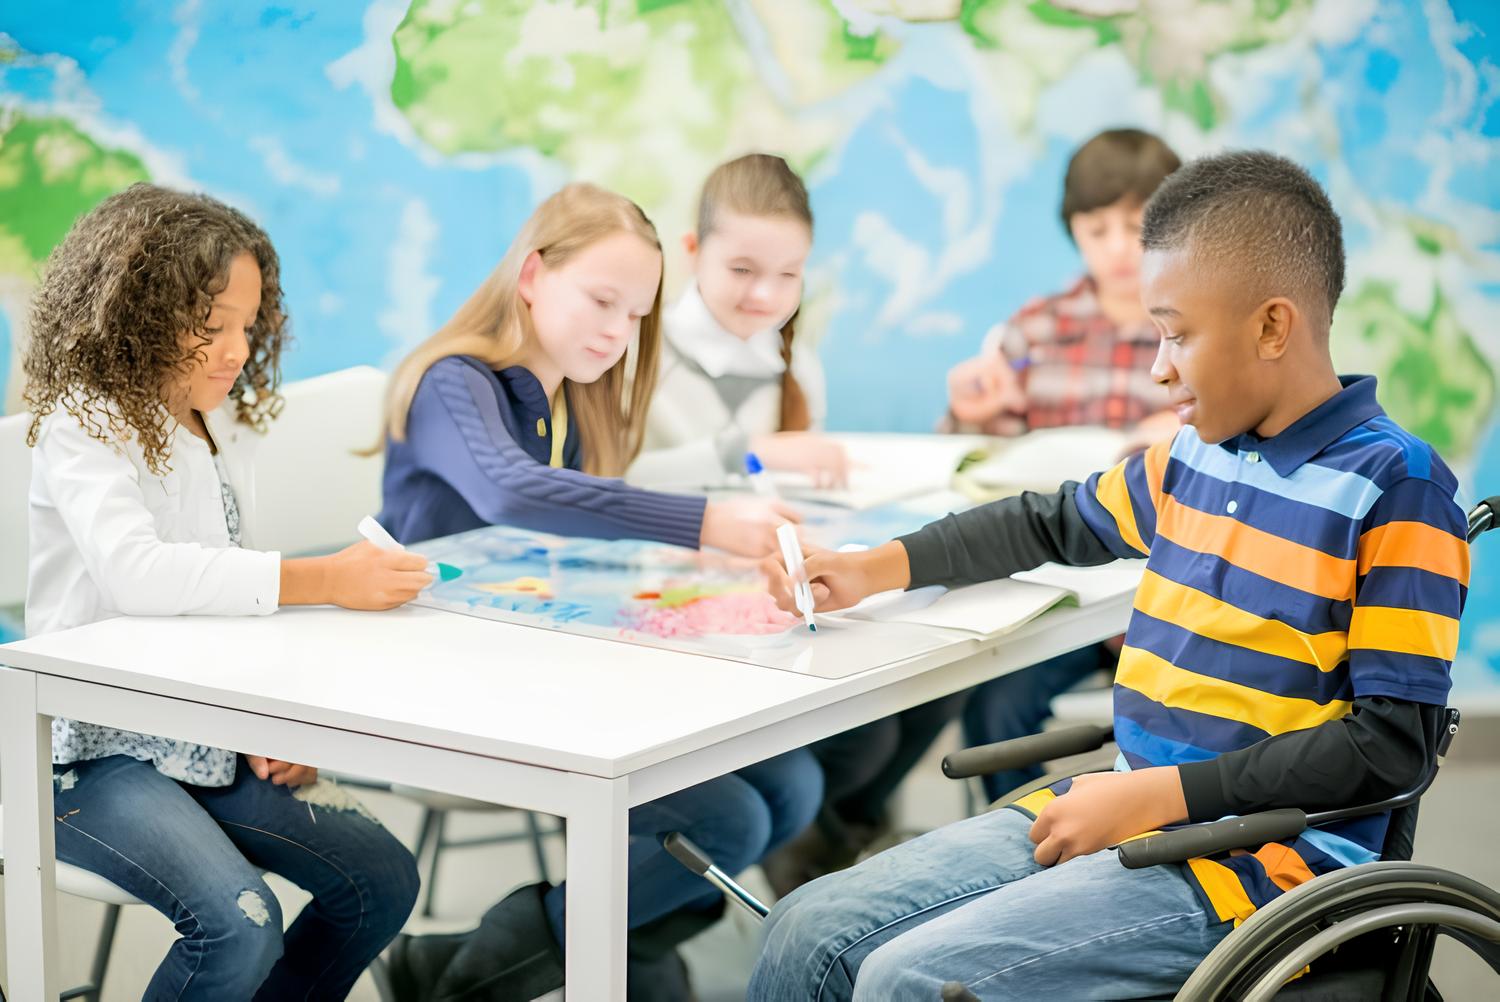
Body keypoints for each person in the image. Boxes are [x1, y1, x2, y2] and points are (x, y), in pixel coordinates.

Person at [750, 150, 1468, 1000]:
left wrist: (1164, 796)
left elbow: (1391, 748)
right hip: (1133, 802)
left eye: (1177, 333)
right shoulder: (1195, 458)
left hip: (1260, 869)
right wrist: (876, 566)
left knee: (905, 983)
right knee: (802, 932)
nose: (1158, 367)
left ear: (1272, 328)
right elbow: (1051, 521)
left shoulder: (1398, 488)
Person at [378, 182, 823, 1001]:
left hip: (540, 659)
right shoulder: (453, 381)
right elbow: (512, 495)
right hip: (438, 673)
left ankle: (465, 966)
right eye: (600, 301)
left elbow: (567, 545)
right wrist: (702, 523)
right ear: (532, 274)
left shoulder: (572, 400)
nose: (617, 331)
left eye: (634, 315)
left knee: (791, 786)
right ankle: (497, 981)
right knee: (730, 819)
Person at [23, 183, 423, 1000]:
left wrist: (275, 722)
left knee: (380, 878)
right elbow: (141, 574)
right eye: (211, 328)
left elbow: (229, 599)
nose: (237, 350)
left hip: (200, 735)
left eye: (248, 325)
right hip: (86, 756)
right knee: (240, 922)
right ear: (135, 315)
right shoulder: (83, 422)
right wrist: (325, 581)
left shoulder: (221, 423)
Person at [628, 152, 847, 490]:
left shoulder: (800, 366)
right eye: (742, 269)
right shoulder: (634, 349)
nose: (764, 294)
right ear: (693, 251)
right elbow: (603, 475)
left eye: (788, 273)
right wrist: (742, 452)